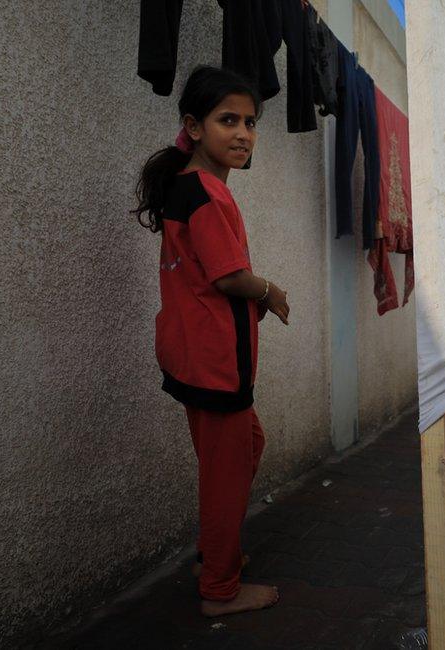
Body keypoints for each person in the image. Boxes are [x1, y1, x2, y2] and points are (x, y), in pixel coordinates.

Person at [132, 66, 289, 617]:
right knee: (225, 474)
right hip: (216, 360)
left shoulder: (195, 188)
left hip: (195, 353)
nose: (244, 132)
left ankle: (215, 550)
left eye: (250, 121)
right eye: (229, 120)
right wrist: (270, 291)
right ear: (194, 128)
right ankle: (219, 588)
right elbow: (228, 277)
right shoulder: (205, 193)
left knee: (245, 447)